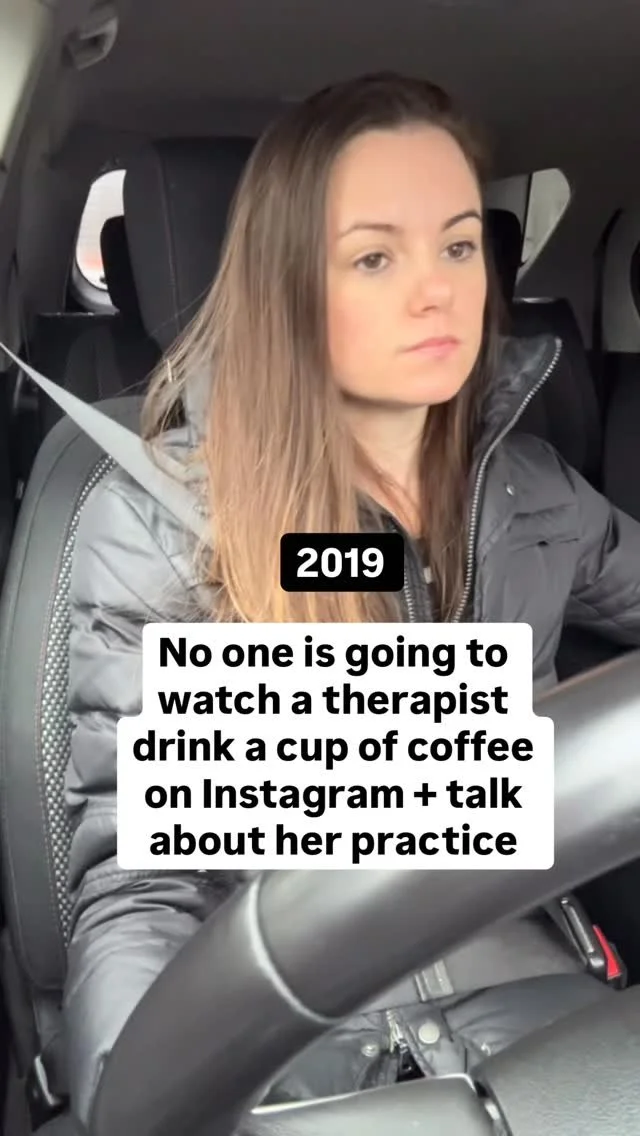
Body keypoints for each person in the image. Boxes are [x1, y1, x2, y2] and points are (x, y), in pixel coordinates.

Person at [64, 72, 640, 1128]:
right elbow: (141, 890)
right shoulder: (166, 522)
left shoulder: (533, 489)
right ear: (288, 283)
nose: (437, 291)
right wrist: (149, 1101)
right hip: (290, 1027)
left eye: (458, 246)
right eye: (375, 256)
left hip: (536, 985)